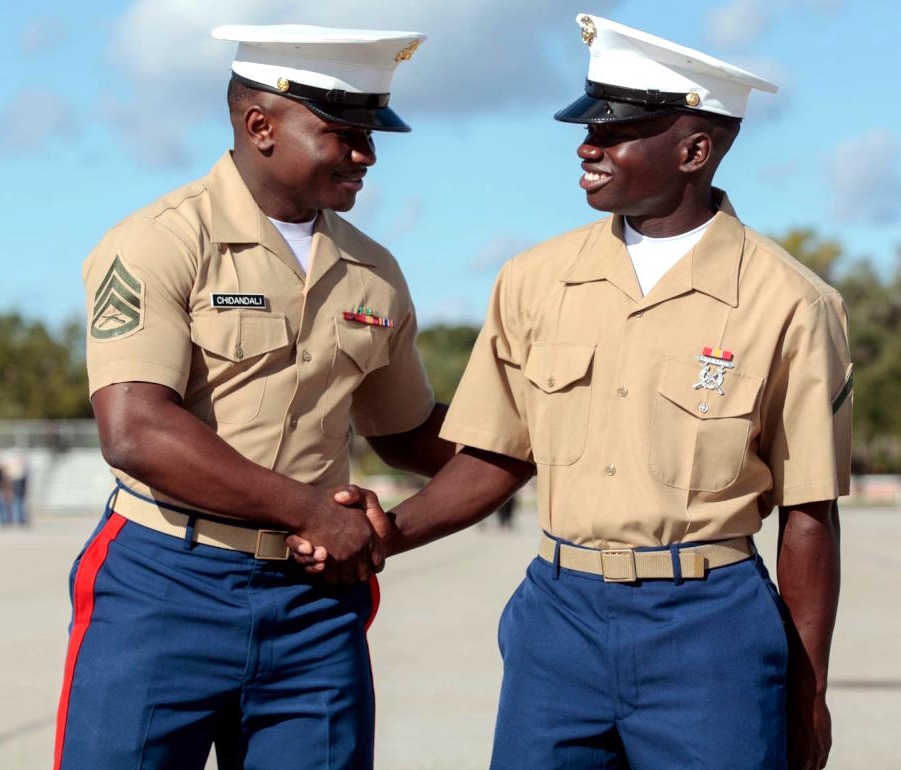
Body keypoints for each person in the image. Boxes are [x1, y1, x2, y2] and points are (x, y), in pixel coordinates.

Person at [293, 13, 850, 770]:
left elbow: (810, 513)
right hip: (560, 621)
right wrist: (389, 530)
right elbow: (497, 455)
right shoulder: (534, 280)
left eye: (616, 131)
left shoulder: (791, 304)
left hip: (707, 628)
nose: (587, 147)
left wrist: (807, 692)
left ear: (694, 150)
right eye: (588, 127)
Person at [53, 24, 454, 770]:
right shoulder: (159, 242)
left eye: (371, 133)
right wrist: (308, 511)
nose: (367, 155)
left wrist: (536, 437)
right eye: (343, 133)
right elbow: (136, 429)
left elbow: (405, 431)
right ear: (259, 126)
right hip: (165, 582)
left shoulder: (374, 271)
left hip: (313, 602)